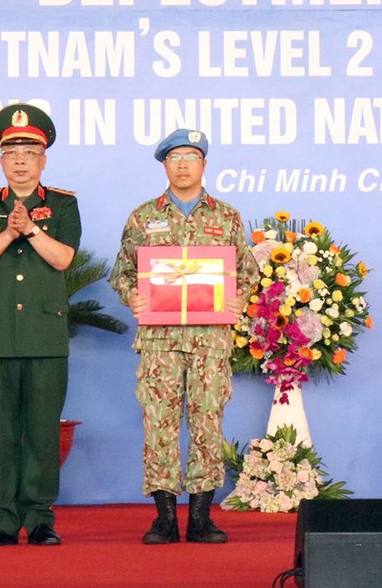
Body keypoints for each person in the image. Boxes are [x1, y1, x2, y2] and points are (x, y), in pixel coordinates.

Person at [109, 129, 260, 544]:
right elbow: (121, 271)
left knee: (207, 423)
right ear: (164, 165)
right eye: (175, 157)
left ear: (204, 165)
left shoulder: (225, 216)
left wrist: (238, 301)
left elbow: (246, 272)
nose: (182, 164)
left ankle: (200, 517)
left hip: (210, 340)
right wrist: (133, 297)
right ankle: (163, 518)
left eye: (191, 157)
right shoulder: (143, 216)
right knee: (159, 424)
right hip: (160, 341)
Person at [0, 103, 82, 546]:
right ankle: (1, 519)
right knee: (0, 426)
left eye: (29, 151)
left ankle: (40, 516)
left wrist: (31, 229)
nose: (19, 160)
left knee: (41, 429)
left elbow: (63, 258)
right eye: (11, 151)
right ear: (1, 159)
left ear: (43, 159)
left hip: (44, 333)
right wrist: (9, 233)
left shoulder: (63, 204)